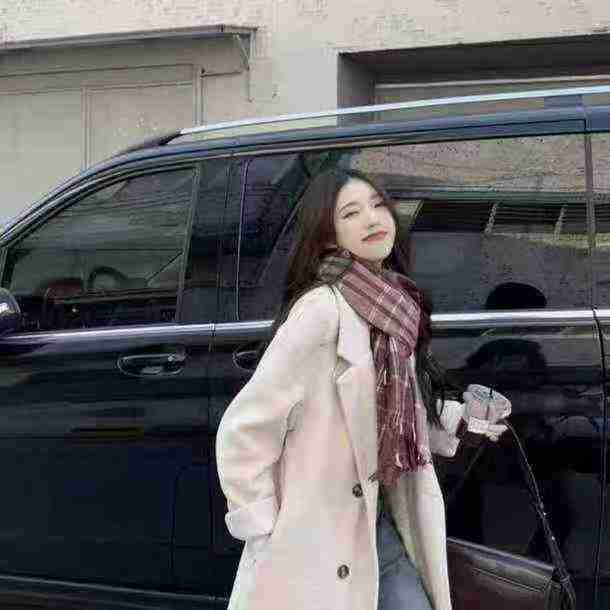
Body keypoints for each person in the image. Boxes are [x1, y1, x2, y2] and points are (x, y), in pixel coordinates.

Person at [215, 168, 510, 610]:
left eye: (377, 205)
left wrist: (459, 419)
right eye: (351, 213)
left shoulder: (393, 306)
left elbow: (394, 408)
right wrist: (265, 528)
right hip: (320, 535)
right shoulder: (321, 311)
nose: (372, 219)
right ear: (328, 236)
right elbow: (245, 429)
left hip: (377, 523)